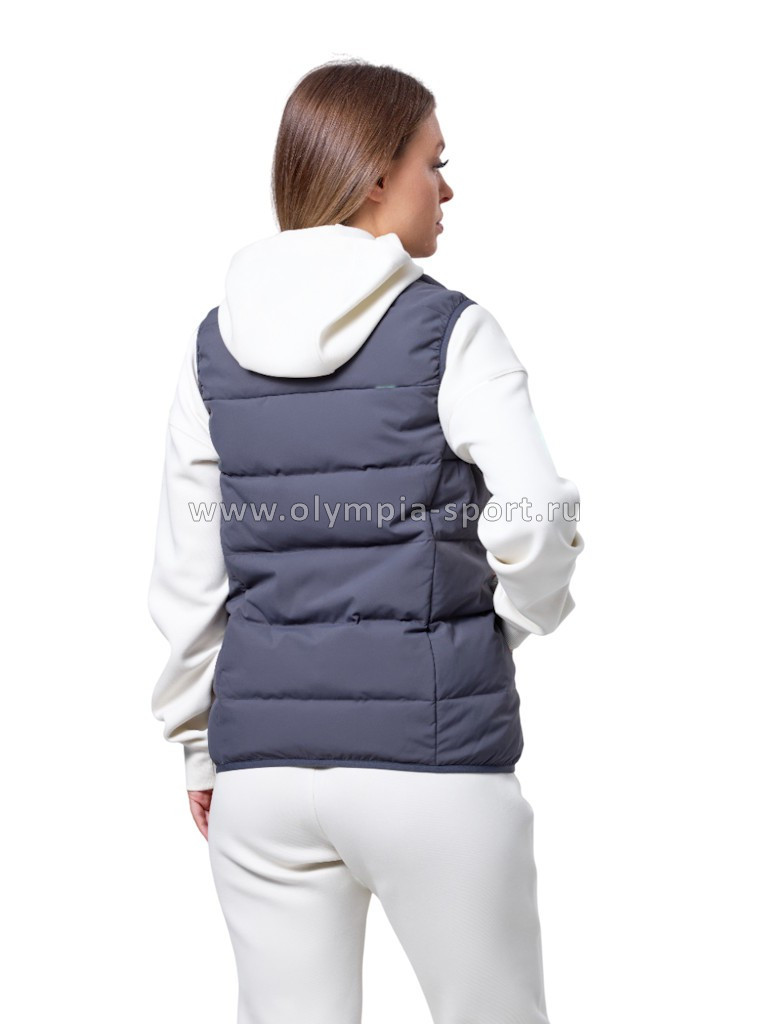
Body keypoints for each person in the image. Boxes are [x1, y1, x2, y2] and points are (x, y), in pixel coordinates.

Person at [148, 58, 584, 1024]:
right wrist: (506, 627)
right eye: (436, 162)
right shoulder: (451, 332)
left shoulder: (213, 347)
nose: (447, 189)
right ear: (376, 175)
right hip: (433, 764)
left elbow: (188, 574)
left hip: (261, 782)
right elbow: (537, 513)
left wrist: (197, 749)